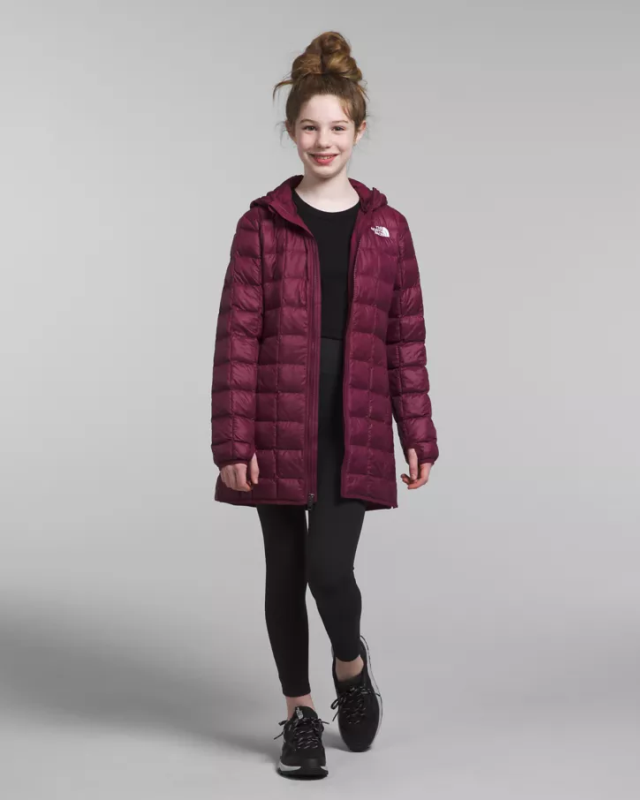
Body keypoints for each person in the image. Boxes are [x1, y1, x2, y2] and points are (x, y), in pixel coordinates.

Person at [210, 31, 439, 779]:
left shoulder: (388, 228)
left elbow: (405, 337)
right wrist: (232, 440)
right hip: (275, 417)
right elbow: (237, 337)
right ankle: (300, 714)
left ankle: (349, 664)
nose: (323, 141)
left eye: (337, 127)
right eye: (309, 127)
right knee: (284, 568)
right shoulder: (262, 225)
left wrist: (417, 431)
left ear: (359, 131)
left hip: (353, 417)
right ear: (291, 132)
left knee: (328, 569)